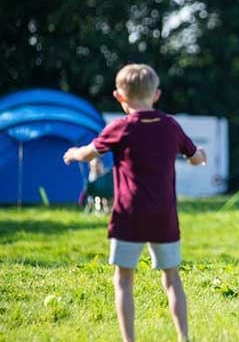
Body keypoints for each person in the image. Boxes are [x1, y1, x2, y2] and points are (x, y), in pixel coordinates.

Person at [63, 64, 206, 342]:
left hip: (129, 215)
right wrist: (199, 153)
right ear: (157, 95)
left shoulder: (119, 128)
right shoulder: (170, 126)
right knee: (172, 279)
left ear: (120, 97)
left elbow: (88, 154)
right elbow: (195, 158)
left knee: (124, 280)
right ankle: (184, 337)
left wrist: (73, 153)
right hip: (164, 216)